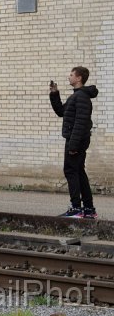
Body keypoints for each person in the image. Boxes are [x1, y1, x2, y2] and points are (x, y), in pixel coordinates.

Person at [50, 67, 99, 218]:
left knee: (71, 171)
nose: (68, 77)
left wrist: (73, 145)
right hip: (76, 140)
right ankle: (89, 209)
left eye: (71, 75)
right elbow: (61, 112)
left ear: (79, 78)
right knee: (79, 171)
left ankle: (76, 208)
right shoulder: (77, 96)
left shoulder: (81, 97)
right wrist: (54, 93)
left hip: (76, 140)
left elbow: (80, 123)